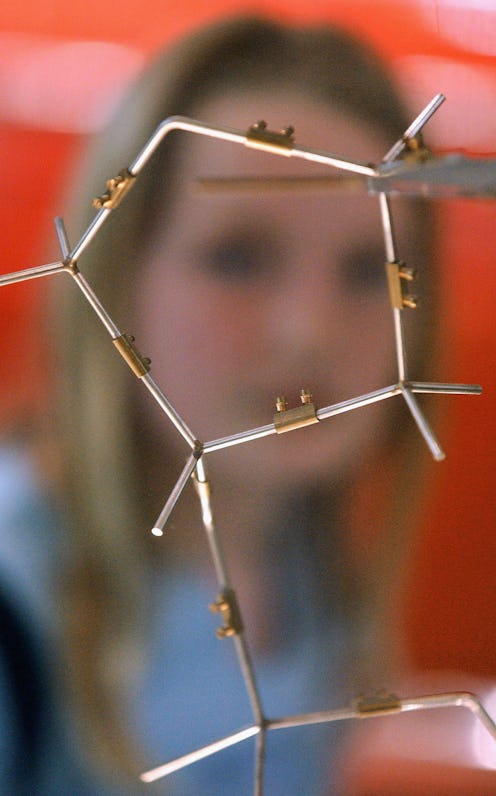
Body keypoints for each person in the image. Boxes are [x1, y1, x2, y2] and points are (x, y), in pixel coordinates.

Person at [5, 13, 441, 795]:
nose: (308, 332)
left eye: (367, 271)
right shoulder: (18, 612)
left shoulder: (306, 558)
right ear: (112, 277)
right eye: (237, 257)